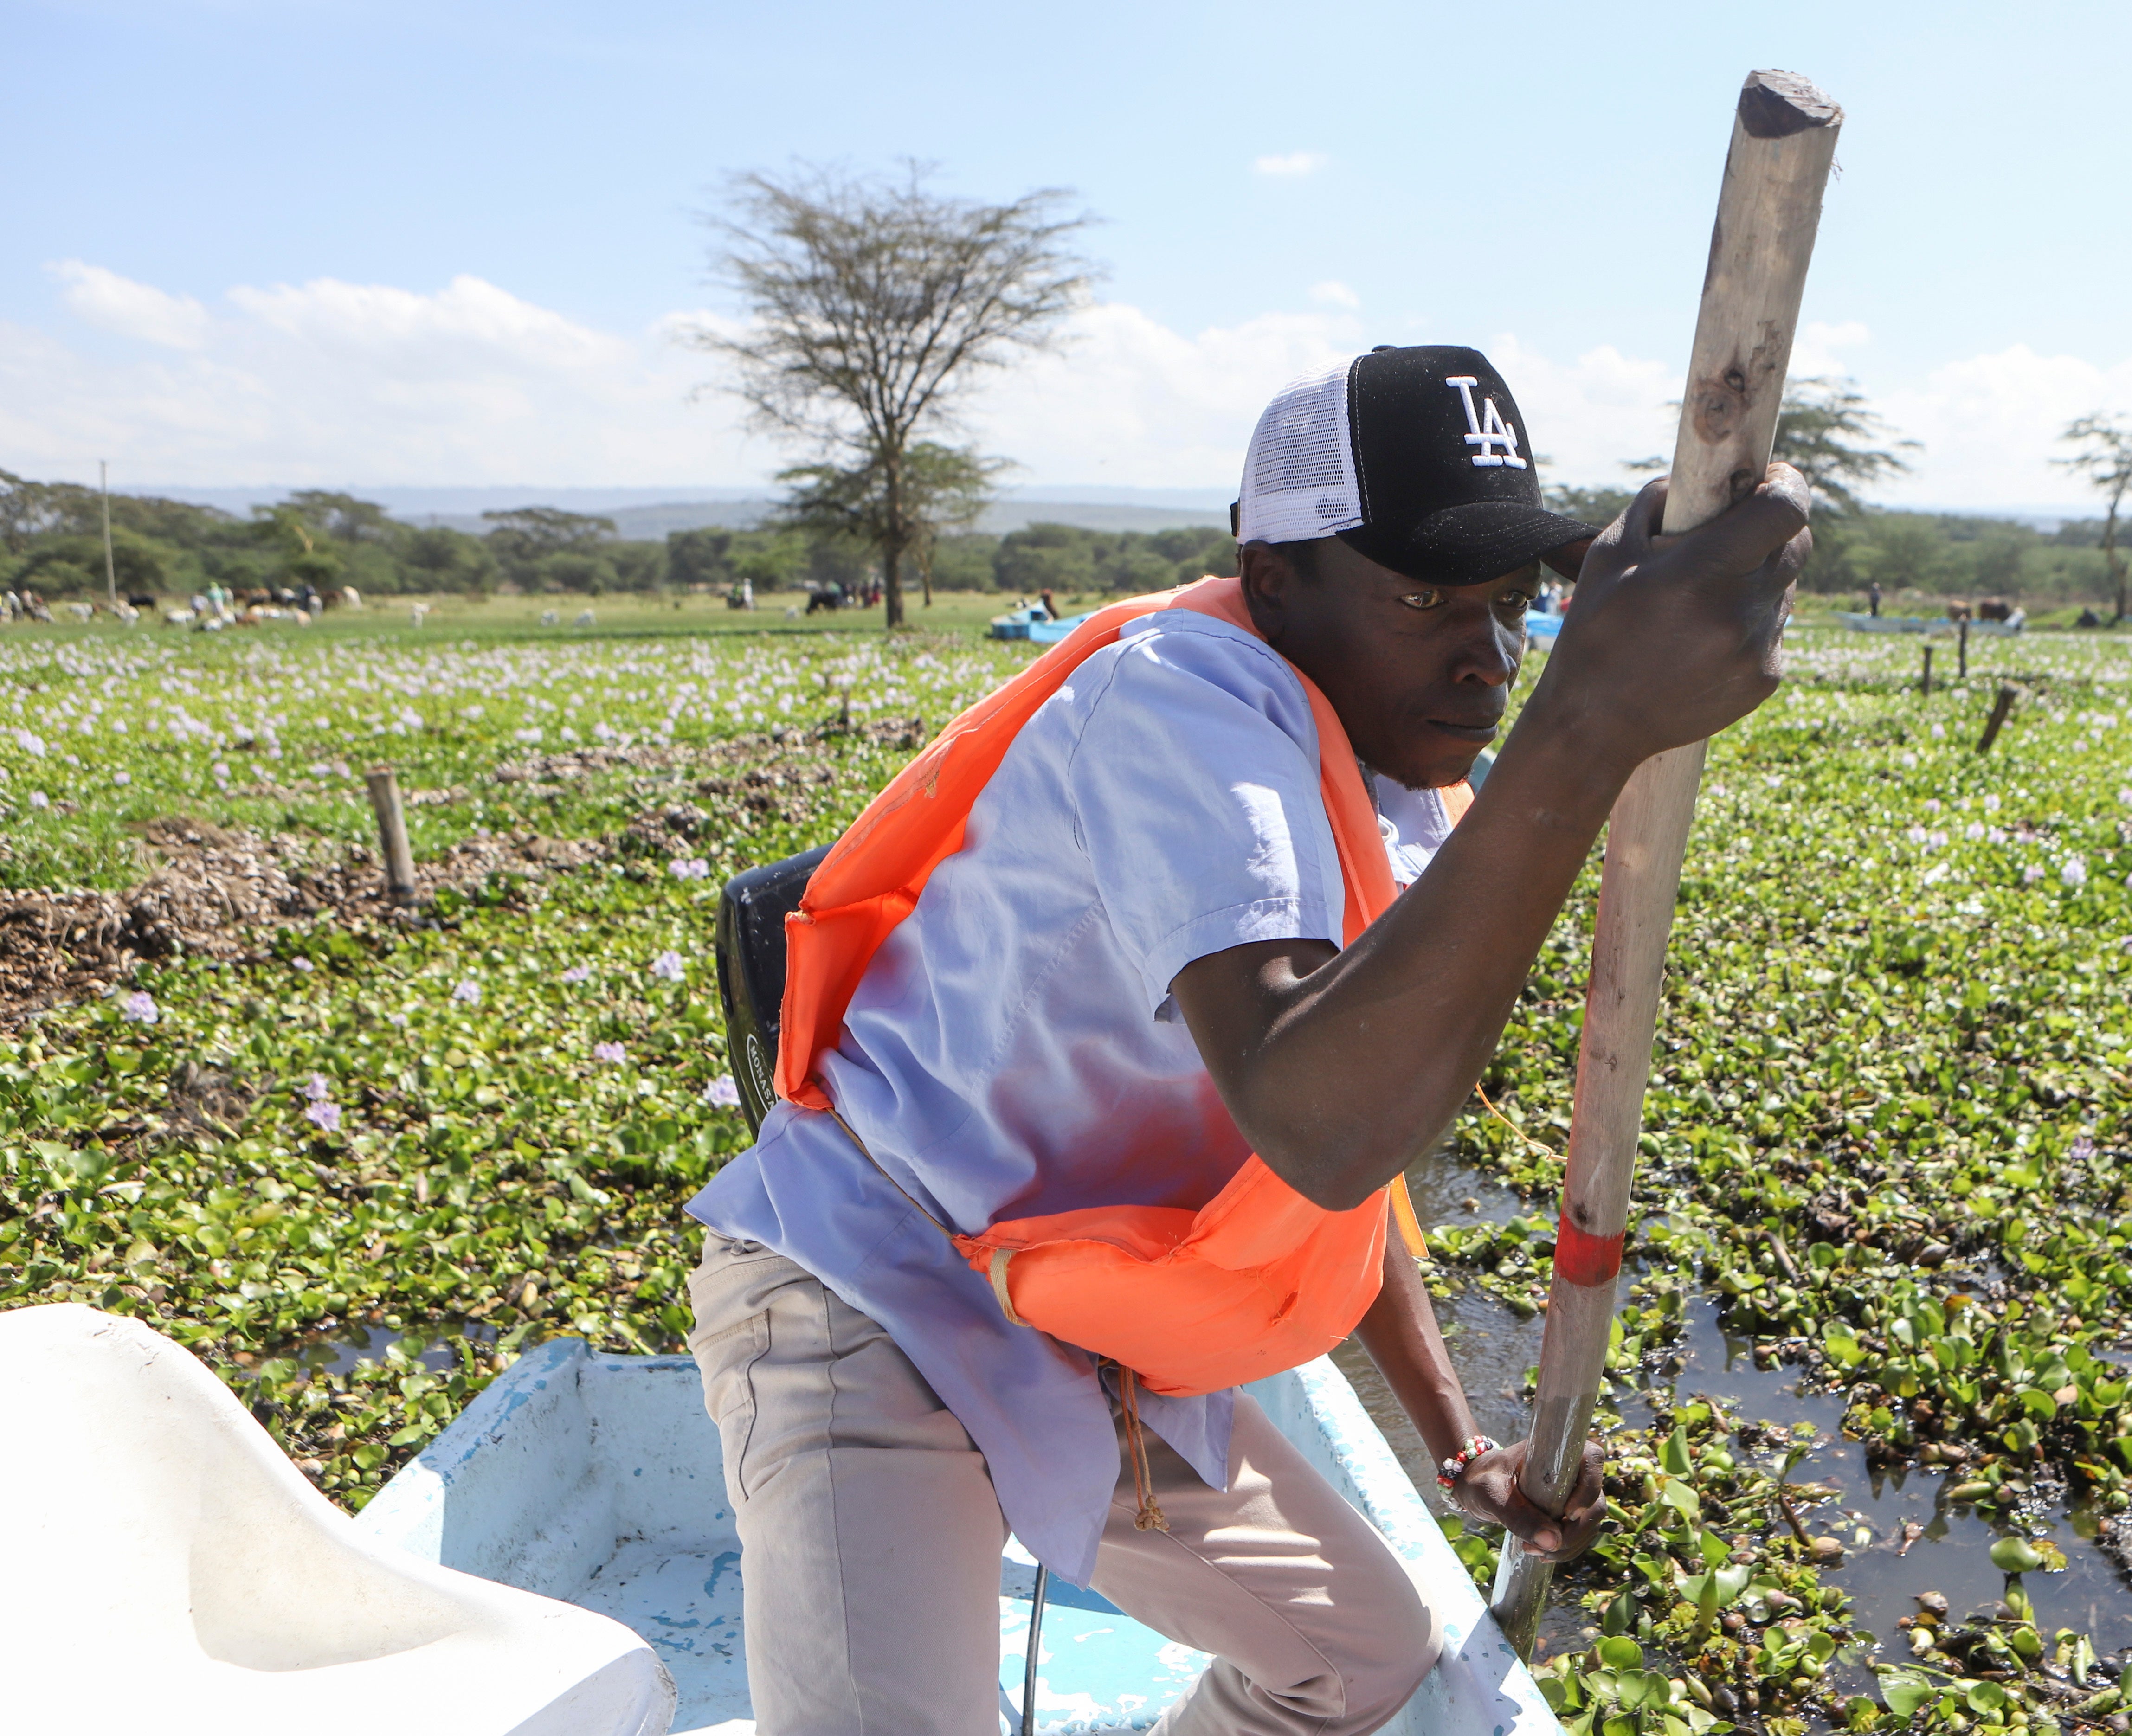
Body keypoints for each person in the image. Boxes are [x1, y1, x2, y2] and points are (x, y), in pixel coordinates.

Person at [683, 344, 1810, 1736]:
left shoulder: (1404, 783)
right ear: (1275, 581)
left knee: (1359, 1663)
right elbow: (1322, 1122)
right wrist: (1588, 727)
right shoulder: (1180, 698)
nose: (1488, 657)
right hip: (870, 1285)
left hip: (1078, 1326)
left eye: (1511, 602)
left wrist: (1456, 1441)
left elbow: (1328, 1190)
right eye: (1424, 598)